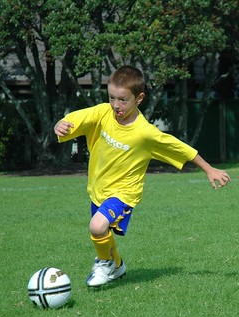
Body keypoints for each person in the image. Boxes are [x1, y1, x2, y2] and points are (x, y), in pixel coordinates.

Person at [54, 65, 231, 288]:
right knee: (103, 230)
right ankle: (117, 266)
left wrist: (209, 169)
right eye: (112, 98)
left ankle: (105, 263)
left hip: (125, 193)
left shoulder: (145, 133)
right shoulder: (102, 113)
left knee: (97, 227)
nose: (116, 105)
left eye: (123, 100)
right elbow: (74, 120)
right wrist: (60, 125)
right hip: (98, 188)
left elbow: (179, 148)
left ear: (139, 98)